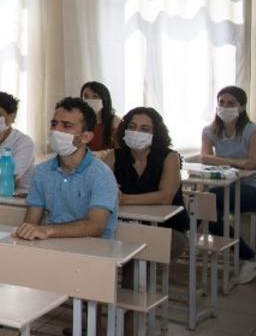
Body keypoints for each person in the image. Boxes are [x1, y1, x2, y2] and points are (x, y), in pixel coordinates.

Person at [15, 97, 118, 240]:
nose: (56, 130)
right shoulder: (41, 171)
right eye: (54, 124)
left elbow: (96, 226)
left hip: (93, 253)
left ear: (86, 137)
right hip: (51, 249)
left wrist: (48, 231)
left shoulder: (101, 174)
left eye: (67, 126)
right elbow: (31, 222)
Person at [100, 106, 189, 260]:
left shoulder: (170, 157)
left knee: (141, 252)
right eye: (132, 127)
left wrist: (124, 199)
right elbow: (101, 188)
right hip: (125, 225)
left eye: (144, 129)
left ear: (155, 133)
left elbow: (165, 197)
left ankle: (135, 281)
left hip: (168, 228)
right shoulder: (113, 156)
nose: (137, 132)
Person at [200, 86, 256, 283]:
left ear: (241, 107)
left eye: (230, 103)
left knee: (205, 204)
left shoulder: (251, 130)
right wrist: (234, 163)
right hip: (224, 187)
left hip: (251, 187)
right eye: (221, 102)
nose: (224, 106)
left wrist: (221, 160)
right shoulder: (211, 130)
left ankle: (247, 257)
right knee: (204, 207)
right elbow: (205, 157)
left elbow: (252, 163)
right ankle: (247, 255)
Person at [80, 81, 121, 152]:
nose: (89, 100)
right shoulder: (77, 121)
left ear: (104, 100)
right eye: (86, 96)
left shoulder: (114, 122)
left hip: (105, 162)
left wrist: (104, 153)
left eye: (95, 96)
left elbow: (121, 151)